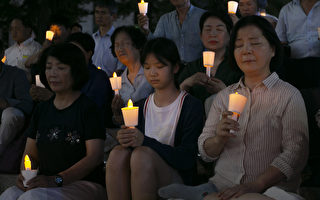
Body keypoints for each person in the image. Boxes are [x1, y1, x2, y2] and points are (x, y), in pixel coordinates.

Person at [159, 16, 308, 200]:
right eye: (238, 45)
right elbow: (206, 151)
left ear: (273, 49)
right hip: (223, 186)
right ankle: (206, 192)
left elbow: (295, 153)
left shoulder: (289, 96)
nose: (246, 50)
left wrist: (255, 185)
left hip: (274, 191)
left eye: (255, 43)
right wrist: (219, 138)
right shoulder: (224, 97)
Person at [0, 43, 106, 200]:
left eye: (61, 68)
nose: (53, 74)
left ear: (75, 71)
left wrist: (57, 179)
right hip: (45, 183)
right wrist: (25, 175)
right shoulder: (42, 110)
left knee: (33, 198)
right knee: (9, 195)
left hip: (82, 184)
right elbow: (30, 154)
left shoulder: (88, 109)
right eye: (49, 68)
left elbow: (94, 157)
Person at [106, 37, 204, 200]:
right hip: (141, 172)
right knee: (118, 153)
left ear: (175, 67)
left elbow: (187, 158)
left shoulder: (190, 106)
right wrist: (125, 139)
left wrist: (144, 141)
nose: (152, 73)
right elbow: (133, 145)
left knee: (141, 155)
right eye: (147, 67)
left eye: (160, 66)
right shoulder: (140, 106)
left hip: (177, 177)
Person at [179, 11, 242, 105]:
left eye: (219, 29)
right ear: (201, 35)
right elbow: (173, 100)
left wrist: (223, 91)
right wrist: (186, 84)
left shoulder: (238, 66)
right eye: (208, 30)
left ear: (230, 35)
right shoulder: (192, 67)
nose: (213, 34)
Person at [110, 26, 153, 125]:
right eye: (116, 45)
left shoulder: (151, 74)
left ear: (138, 45)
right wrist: (117, 114)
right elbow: (120, 121)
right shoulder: (119, 82)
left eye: (125, 44)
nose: (120, 49)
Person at [137, 0, 205, 63]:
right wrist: (146, 31)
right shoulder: (165, 19)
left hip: (197, 70)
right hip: (173, 70)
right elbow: (156, 45)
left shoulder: (203, 16)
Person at [0, 40, 33, 155]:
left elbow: (28, 105)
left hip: (8, 122)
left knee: (10, 114)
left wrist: (7, 103)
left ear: (1, 54)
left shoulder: (16, 74)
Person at [92, 0, 123, 76]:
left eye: (103, 13)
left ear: (114, 16)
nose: (99, 16)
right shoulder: (92, 38)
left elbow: (121, 67)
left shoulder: (118, 39)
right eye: (97, 12)